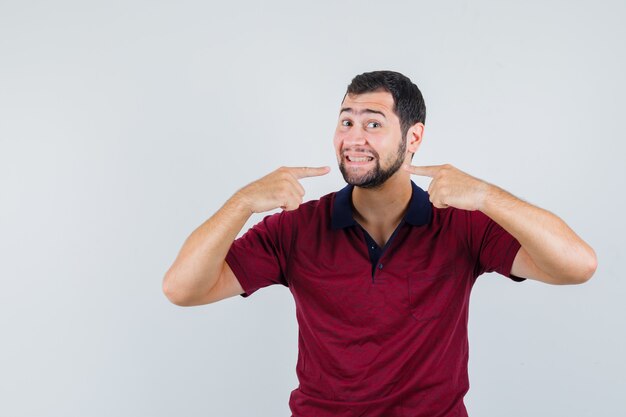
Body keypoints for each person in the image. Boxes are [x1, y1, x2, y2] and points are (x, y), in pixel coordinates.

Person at [162, 70, 597, 417]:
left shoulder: (462, 225)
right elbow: (182, 289)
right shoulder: (296, 228)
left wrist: (486, 195)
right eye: (346, 121)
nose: (354, 138)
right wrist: (242, 203)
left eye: (373, 123)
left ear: (414, 138)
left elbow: (577, 265)